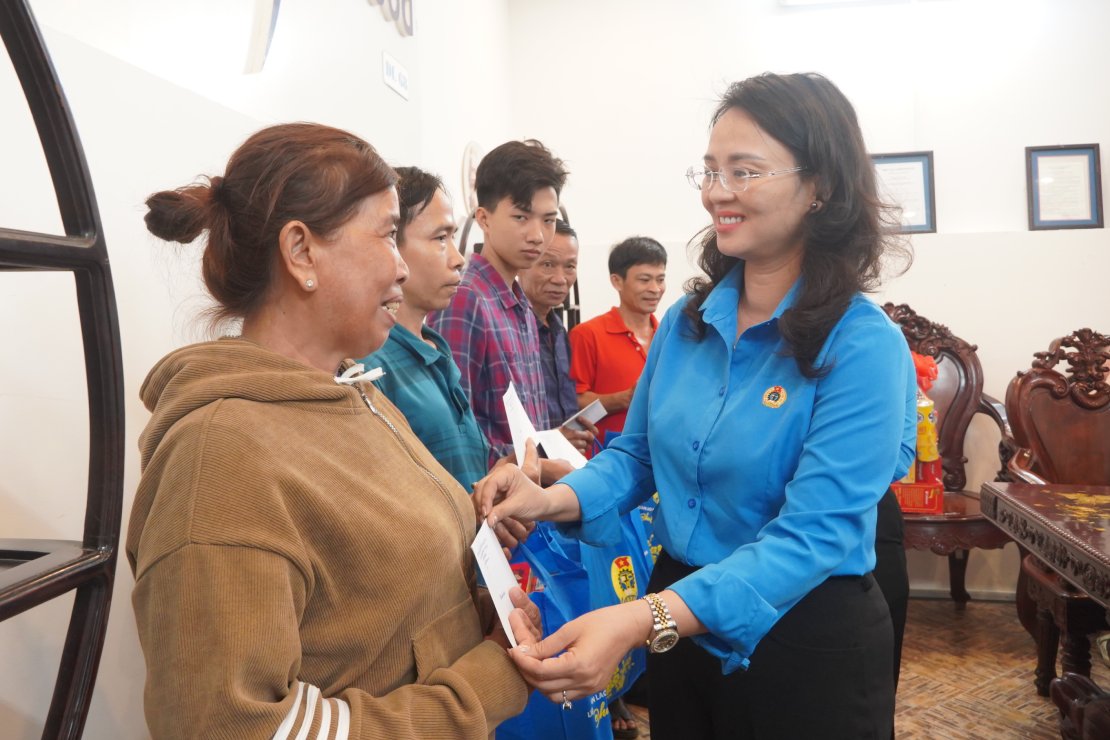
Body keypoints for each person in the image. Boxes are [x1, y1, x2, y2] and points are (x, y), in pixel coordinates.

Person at [474, 72, 917, 740]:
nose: (717, 192)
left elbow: (814, 537)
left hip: (800, 637)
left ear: (820, 187)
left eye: (745, 171)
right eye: (710, 170)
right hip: (678, 625)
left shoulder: (861, 344)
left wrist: (639, 619)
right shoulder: (687, 323)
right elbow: (636, 457)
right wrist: (547, 500)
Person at [129, 123, 539, 739]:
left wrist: (484, 610)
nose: (402, 267)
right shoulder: (219, 456)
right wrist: (482, 686)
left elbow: (374, 610)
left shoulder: (357, 396)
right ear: (301, 252)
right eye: (387, 234)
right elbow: (232, 726)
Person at [430, 139, 590, 462]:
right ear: (484, 219)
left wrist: (549, 451)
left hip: (532, 488)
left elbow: (528, 429)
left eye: (548, 220)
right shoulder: (464, 300)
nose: (537, 235)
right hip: (495, 491)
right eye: (521, 217)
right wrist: (539, 463)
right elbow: (456, 435)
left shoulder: (522, 305)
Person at [569, 237, 667, 447]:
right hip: (606, 455)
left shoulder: (669, 337)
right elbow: (573, 403)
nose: (655, 288)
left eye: (660, 279)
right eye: (644, 280)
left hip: (660, 453)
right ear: (617, 281)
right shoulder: (587, 335)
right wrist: (625, 399)